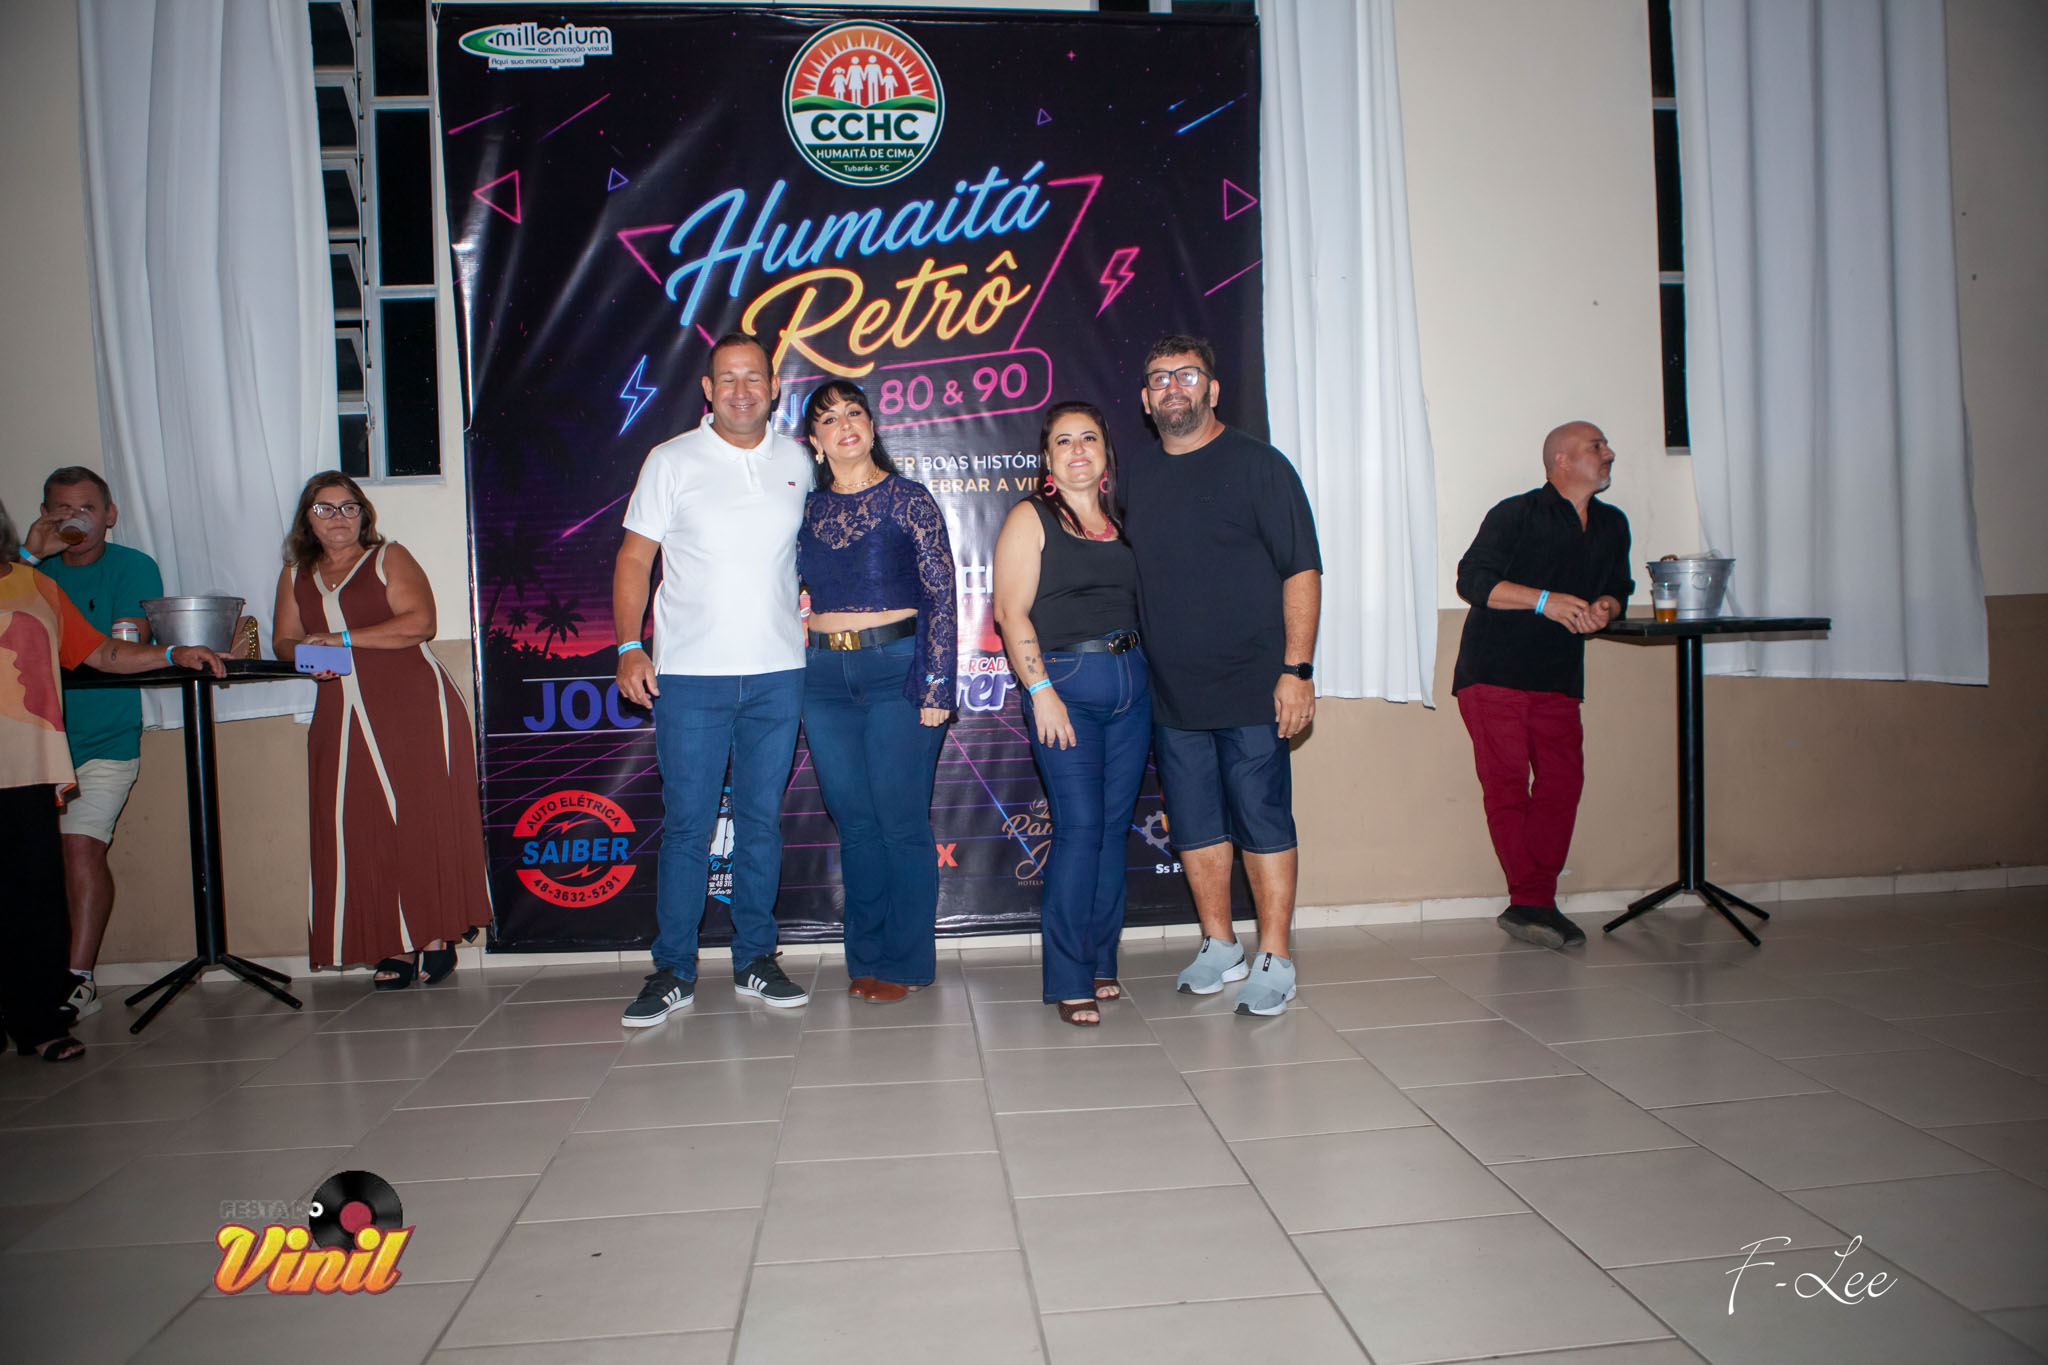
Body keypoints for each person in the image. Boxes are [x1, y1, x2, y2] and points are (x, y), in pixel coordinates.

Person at [614, 333, 812, 1025]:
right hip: (690, 676)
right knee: (688, 827)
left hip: (779, 673)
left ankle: (756, 957)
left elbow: (815, 551)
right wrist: (628, 645)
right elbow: (634, 559)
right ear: (707, 389)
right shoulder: (670, 460)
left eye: (753, 377)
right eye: (727, 378)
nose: (740, 390)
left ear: (774, 387)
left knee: (760, 823)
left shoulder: (798, 460)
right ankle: (673, 968)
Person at [1122, 334, 1322, 1017]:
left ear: (1211, 388)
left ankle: (1275, 955)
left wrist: (1297, 670)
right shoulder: (1137, 476)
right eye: (1159, 377)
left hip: (1254, 685)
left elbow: (1301, 570)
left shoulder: (1260, 466)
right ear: (1145, 399)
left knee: (1262, 818)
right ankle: (1219, 944)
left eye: (1187, 375)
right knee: (1196, 822)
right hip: (1172, 692)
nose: (1172, 387)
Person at [1, 499, 223, 1061]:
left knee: (34, 895)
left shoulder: (34, 585)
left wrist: (172, 652)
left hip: (28, 763)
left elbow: (101, 652)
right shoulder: (33, 567)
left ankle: (38, 1021)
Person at [272, 473, 492, 988]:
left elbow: (420, 624)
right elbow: (284, 640)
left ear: (364, 515)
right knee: (359, 827)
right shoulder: (295, 574)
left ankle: (433, 936)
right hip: (339, 709)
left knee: (420, 820)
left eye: (348, 507)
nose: (338, 518)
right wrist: (309, 657)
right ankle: (391, 942)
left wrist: (339, 639)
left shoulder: (388, 557)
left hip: (413, 706)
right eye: (324, 509)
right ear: (307, 519)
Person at [797, 379, 956, 1002]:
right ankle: (864, 956)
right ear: (815, 442)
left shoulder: (909, 500)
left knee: (900, 822)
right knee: (856, 825)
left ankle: (906, 962)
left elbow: (941, 595)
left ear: (871, 424)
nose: (844, 425)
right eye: (828, 419)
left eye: (853, 412)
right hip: (821, 679)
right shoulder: (804, 511)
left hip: (898, 671)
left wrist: (936, 685)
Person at [993, 401, 1150, 1026]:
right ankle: (1068, 977)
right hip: (1066, 688)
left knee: (1112, 831)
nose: (1078, 449)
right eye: (1064, 441)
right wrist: (1040, 692)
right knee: (1080, 830)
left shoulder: (1125, 522)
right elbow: (1010, 612)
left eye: (1089, 438)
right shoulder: (1030, 517)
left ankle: (1101, 960)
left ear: (1106, 453)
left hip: (1134, 687)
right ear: (1047, 459)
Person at [1452, 420, 1634, 948]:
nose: (1609, 453)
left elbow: (1617, 589)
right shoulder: (1516, 513)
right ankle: (1532, 902)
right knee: (1508, 787)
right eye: (1596, 446)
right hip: (1494, 674)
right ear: (1561, 460)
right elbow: (1473, 580)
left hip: (1559, 677)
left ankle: (1533, 901)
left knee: (1562, 785)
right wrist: (1544, 601)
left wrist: (1605, 609)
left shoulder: (1612, 524)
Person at [16, 467, 164, 1020]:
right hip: (30, 744)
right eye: (62, 509)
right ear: (44, 513)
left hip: (104, 738)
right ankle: (31, 976)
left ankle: (77, 978)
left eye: (86, 508)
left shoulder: (132, 566)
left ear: (110, 514)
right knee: (30, 861)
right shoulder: (25, 572)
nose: (74, 519)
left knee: (81, 847)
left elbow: (122, 645)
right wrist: (28, 559)